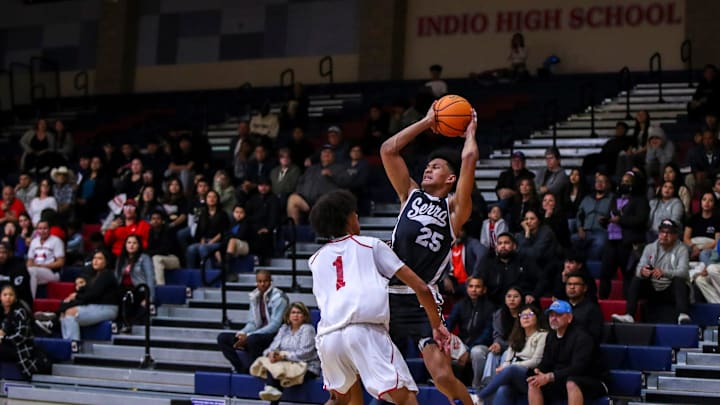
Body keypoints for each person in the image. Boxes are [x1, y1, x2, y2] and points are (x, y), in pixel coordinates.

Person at [307, 190, 452, 405]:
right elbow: (421, 287)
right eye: (355, 214)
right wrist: (436, 324)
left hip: (328, 337)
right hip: (364, 331)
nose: (358, 218)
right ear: (348, 218)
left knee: (340, 400)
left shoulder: (315, 259)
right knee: (407, 399)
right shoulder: (372, 245)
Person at [380, 100, 478, 404]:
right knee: (380, 378)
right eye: (427, 165)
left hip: (423, 301)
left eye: (436, 167)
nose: (428, 168)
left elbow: (470, 158)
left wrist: (470, 131)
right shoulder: (409, 194)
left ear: (450, 179)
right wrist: (426, 121)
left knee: (444, 378)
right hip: (387, 296)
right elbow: (388, 150)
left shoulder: (454, 210)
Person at [527, 300, 608, 405]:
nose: (554, 318)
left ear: (569, 318)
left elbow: (578, 368)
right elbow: (547, 362)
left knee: (572, 382)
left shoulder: (583, 337)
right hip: (562, 378)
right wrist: (539, 372)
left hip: (592, 380)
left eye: (559, 315)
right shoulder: (551, 336)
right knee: (534, 382)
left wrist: (550, 376)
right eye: (551, 315)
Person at [612, 219, 691, 324]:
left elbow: (684, 272)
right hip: (653, 288)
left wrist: (664, 272)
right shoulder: (650, 248)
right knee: (637, 278)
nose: (664, 235)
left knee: (679, 280)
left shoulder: (682, 249)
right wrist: (643, 271)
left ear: (676, 235)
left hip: (671, 291)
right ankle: (629, 315)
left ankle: (683, 314)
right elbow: (639, 268)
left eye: (669, 233)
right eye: (662, 232)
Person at [216, 270, 289, 373]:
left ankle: (256, 369)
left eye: (265, 281)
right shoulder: (255, 296)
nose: (262, 284)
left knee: (252, 340)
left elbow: (275, 325)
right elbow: (253, 323)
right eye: (259, 281)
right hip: (257, 334)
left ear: (271, 282)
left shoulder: (279, 297)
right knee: (223, 338)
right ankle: (241, 369)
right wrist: (242, 333)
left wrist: (249, 336)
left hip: (275, 335)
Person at [477, 303, 548, 404]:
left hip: (530, 374)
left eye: (530, 314)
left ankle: (480, 396)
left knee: (511, 369)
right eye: (522, 315)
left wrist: (510, 366)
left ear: (537, 317)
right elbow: (507, 360)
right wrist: (505, 366)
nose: (526, 318)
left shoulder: (542, 335)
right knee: (503, 389)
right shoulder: (516, 336)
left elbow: (536, 361)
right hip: (513, 373)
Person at [252, 302, 321, 403]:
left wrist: (283, 356)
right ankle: (272, 390)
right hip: (285, 363)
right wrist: (271, 354)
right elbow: (272, 347)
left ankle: (271, 388)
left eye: (299, 313)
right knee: (265, 361)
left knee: (276, 371)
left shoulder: (308, 329)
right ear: (288, 316)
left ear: (304, 316)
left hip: (306, 365)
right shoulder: (284, 328)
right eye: (293, 313)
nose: (296, 315)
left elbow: (305, 353)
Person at [599, 172, 649, 299]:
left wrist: (620, 220)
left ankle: (628, 304)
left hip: (627, 242)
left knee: (628, 274)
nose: (624, 184)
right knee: (605, 273)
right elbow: (610, 215)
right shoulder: (615, 199)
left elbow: (640, 220)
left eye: (628, 182)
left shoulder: (640, 200)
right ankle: (602, 300)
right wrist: (605, 222)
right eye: (623, 181)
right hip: (611, 241)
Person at [60, 249, 119, 343]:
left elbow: (93, 295)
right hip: (95, 306)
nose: (95, 261)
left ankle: (74, 344)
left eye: (99, 258)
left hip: (107, 308)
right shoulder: (94, 275)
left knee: (71, 313)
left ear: (106, 262)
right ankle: (67, 344)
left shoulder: (107, 275)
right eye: (94, 258)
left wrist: (76, 297)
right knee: (64, 314)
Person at [445, 276, 495, 383]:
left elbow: (487, 334)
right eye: (471, 286)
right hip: (463, 343)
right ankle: (445, 382)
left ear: (484, 289)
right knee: (440, 347)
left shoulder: (490, 307)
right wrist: (445, 338)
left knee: (476, 352)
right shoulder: (460, 305)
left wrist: (468, 350)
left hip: (481, 345)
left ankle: (476, 385)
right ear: (467, 288)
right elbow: (449, 324)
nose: (474, 289)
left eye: (477, 287)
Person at [479, 233, 540, 306]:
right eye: (500, 243)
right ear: (496, 247)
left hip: (523, 304)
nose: (503, 246)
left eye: (506, 243)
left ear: (514, 246)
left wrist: (533, 295)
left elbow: (541, 280)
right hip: (496, 305)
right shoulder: (489, 264)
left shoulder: (524, 260)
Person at [0, 284, 44, 379]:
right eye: (5, 295)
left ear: (15, 297)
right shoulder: (1, 312)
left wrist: (3, 338)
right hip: (6, 346)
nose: (8, 297)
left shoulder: (19, 311)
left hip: (20, 347)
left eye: (11, 295)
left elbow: (21, 336)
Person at [115, 235, 155, 331]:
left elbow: (150, 278)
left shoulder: (144, 258)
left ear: (139, 245)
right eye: (129, 243)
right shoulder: (121, 259)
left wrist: (149, 297)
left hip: (138, 290)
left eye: (134, 243)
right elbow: (116, 278)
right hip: (122, 289)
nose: (131, 245)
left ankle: (127, 324)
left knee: (128, 297)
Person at [572, 173, 613, 260]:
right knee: (574, 239)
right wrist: (580, 228)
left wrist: (608, 220)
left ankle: (590, 265)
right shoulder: (587, 198)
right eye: (597, 181)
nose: (599, 183)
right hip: (585, 231)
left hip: (602, 231)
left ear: (608, 184)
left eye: (602, 181)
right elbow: (579, 215)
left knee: (600, 242)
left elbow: (616, 215)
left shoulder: (612, 199)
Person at [186, 190, 229, 268]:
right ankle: (190, 271)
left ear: (217, 199)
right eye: (209, 197)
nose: (211, 199)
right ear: (206, 199)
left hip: (218, 241)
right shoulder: (203, 213)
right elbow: (199, 230)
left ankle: (208, 272)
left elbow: (223, 231)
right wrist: (202, 239)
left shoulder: (223, 214)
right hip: (205, 240)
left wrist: (212, 241)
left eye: (214, 197)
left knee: (203, 248)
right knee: (191, 249)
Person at [26, 220, 64, 297]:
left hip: (52, 272)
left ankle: (30, 300)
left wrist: (41, 266)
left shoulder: (56, 241)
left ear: (50, 229)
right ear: (36, 230)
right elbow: (29, 261)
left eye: (45, 228)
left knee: (32, 271)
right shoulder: (34, 242)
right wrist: (30, 265)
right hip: (37, 271)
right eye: (40, 228)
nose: (42, 231)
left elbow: (61, 262)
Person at [564, 272, 603, 344]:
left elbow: (594, 337)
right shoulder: (561, 307)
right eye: (569, 284)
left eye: (576, 284)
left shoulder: (592, 309)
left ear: (585, 288)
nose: (572, 287)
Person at [684, 192, 719, 265]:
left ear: (714, 204)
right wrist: (693, 246)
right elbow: (686, 238)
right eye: (704, 199)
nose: (707, 202)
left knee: (704, 254)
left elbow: (717, 241)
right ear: (700, 202)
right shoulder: (693, 218)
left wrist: (701, 249)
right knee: (683, 250)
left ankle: (708, 272)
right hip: (693, 245)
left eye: (711, 200)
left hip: (709, 247)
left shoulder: (717, 220)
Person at [0, 243, 32, 308]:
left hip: (19, 302)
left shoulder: (19, 266)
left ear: (10, 253)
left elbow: (16, 291)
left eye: (4, 252)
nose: (0, 255)